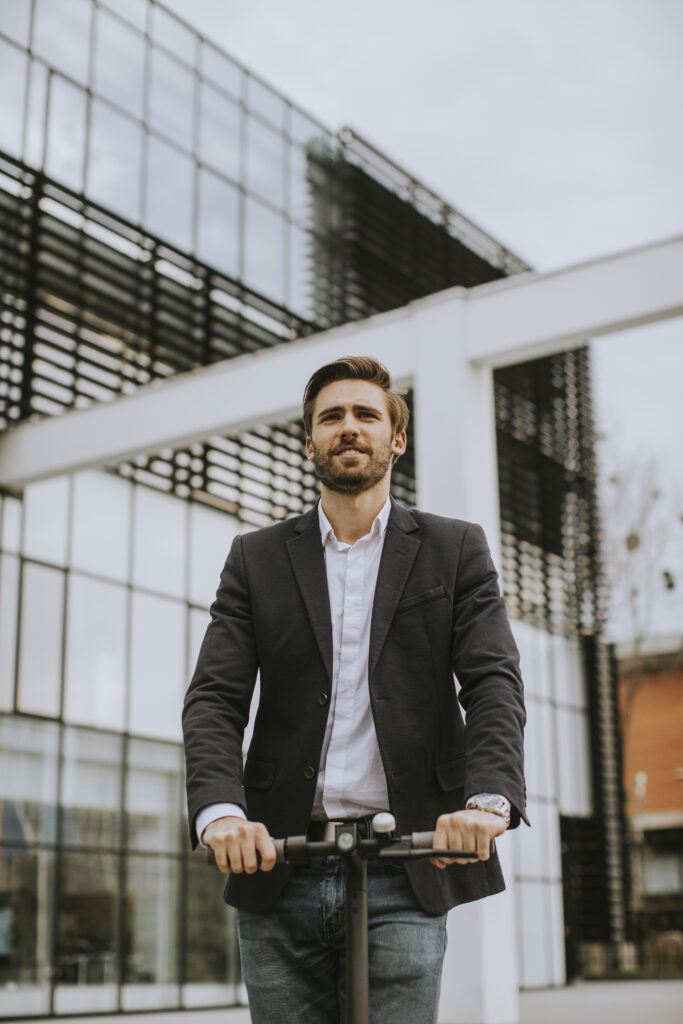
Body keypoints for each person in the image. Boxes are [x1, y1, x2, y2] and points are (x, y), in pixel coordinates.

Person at [183, 356, 527, 1024]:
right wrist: (219, 812)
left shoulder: (452, 550)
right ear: (308, 441)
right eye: (330, 416)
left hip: (406, 861)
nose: (348, 427)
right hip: (278, 861)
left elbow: (491, 681)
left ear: (395, 439)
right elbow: (215, 697)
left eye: (366, 414)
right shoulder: (254, 559)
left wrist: (487, 801)